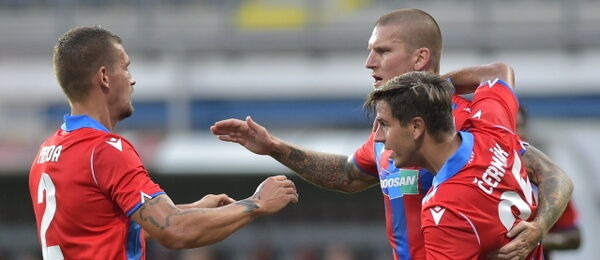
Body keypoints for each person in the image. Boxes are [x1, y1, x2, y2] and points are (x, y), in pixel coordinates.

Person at [210, 9, 573, 260]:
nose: (370, 62)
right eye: (370, 52)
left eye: (382, 51)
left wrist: (539, 226)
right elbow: (350, 174)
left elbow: (552, 173)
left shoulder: (460, 125)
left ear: (420, 59)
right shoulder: (391, 131)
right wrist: (274, 147)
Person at [28, 25, 299, 260]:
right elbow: (174, 230)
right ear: (104, 77)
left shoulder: (48, 152)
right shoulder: (105, 150)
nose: (132, 80)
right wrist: (256, 203)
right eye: (126, 68)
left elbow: (107, 229)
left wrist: (194, 209)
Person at [362, 68, 557, 259]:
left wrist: (425, 86)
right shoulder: (491, 128)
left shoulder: (445, 209)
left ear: (416, 127)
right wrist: (431, 87)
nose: (378, 137)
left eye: (385, 124)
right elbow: (499, 72)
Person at [517, 106, 582, 259]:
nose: (514, 133)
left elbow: (574, 237)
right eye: (508, 126)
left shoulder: (546, 179)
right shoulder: (478, 175)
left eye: (518, 126)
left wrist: (535, 237)